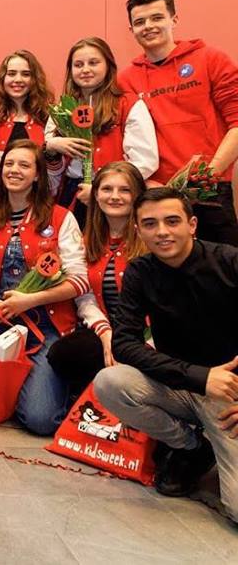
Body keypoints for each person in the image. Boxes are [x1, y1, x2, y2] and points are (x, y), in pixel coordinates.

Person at [94, 188, 237, 519]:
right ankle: (191, 447)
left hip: (230, 396)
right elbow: (125, 343)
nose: (162, 232)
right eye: (150, 224)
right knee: (110, 382)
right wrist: (200, 377)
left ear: (192, 224)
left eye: (172, 221)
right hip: (180, 385)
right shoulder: (140, 272)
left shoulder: (230, 262)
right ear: (138, 230)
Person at [0, 139, 89, 435]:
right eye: (9, 164)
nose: (14, 170)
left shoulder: (61, 218)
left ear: (38, 174)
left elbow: (78, 281)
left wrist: (30, 300)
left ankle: (23, 379)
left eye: (24, 165)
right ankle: (8, 376)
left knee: (40, 420)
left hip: (47, 326)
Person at [118, 0, 238, 245]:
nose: (148, 26)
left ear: (174, 19)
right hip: (155, 194)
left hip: (209, 190)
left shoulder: (210, 59)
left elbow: (237, 123)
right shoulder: (125, 79)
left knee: (223, 273)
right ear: (131, 30)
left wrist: (206, 175)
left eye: (157, 18)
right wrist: (146, 184)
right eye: (139, 22)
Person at [47, 161, 146, 391]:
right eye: (107, 189)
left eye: (125, 190)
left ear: (138, 196)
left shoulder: (151, 239)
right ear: (96, 195)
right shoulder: (87, 241)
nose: (115, 196)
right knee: (64, 353)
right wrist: (106, 334)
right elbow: (85, 298)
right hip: (106, 329)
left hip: (147, 335)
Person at [44, 37, 157, 222]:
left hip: (114, 196)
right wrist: (52, 145)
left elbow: (145, 160)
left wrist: (103, 188)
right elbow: (50, 163)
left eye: (94, 63)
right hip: (70, 193)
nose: (86, 69)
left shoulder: (128, 104)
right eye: (78, 64)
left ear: (108, 65)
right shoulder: (61, 109)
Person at [0, 50, 53, 154]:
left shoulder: (49, 118)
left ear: (35, 79)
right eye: (11, 74)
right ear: (3, 79)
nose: (18, 79)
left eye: (26, 74)